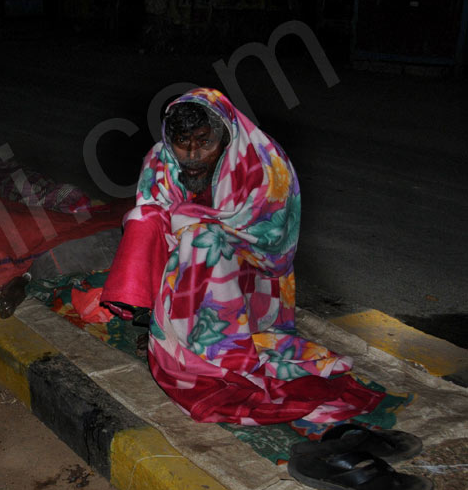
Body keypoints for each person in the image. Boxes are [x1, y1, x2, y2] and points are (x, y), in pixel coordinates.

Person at [100, 87, 384, 425]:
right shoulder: (160, 161)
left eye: (204, 143)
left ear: (224, 134)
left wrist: (197, 226)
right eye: (182, 143)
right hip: (188, 264)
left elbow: (273, 247)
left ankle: (212, 351)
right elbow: (154, 216)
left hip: (253, 277)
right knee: (142, 221)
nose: (192, 155)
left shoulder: (264, 164)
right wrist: (180, 231)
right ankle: (167, 321)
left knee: (203, 240)